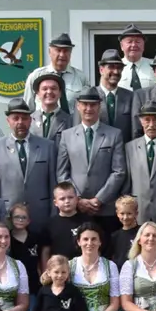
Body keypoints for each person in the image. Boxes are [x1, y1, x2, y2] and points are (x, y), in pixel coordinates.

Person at [58, 87, 127, 228]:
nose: (88, 108)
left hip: (105, 208)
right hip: (76, 209)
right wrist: (77, 199)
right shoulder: (67, 135)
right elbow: (62, 173)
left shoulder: (114, 134)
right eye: (85, 104)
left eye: (93, 104)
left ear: (99, 106)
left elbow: (119, 171)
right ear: (78, 106)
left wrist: (99, 199)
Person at [0, 98, 60, 230]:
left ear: (30, 120)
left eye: (24, 118)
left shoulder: (47, 146)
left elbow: (53, 183)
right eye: (15, 118)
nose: (20, 122)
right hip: (8, 215)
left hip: (40, 214)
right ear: (8, 121)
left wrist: (54, 213)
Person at [26, 32, 91, 110]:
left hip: (72, 118)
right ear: (49, 52)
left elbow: (88, 105)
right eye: (58, 50)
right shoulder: (36, 76)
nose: (62, 55)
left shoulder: (81, 77)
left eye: (66, 51)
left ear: (70, 53)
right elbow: (27, 109)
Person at [93, 49, 138, 145]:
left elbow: (135, 132)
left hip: (124, 151)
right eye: (111, 67)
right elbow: (78, 133)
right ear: (101, 70)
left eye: (119, 68)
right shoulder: (90, 96)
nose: (116, 71)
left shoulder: (131, 97)